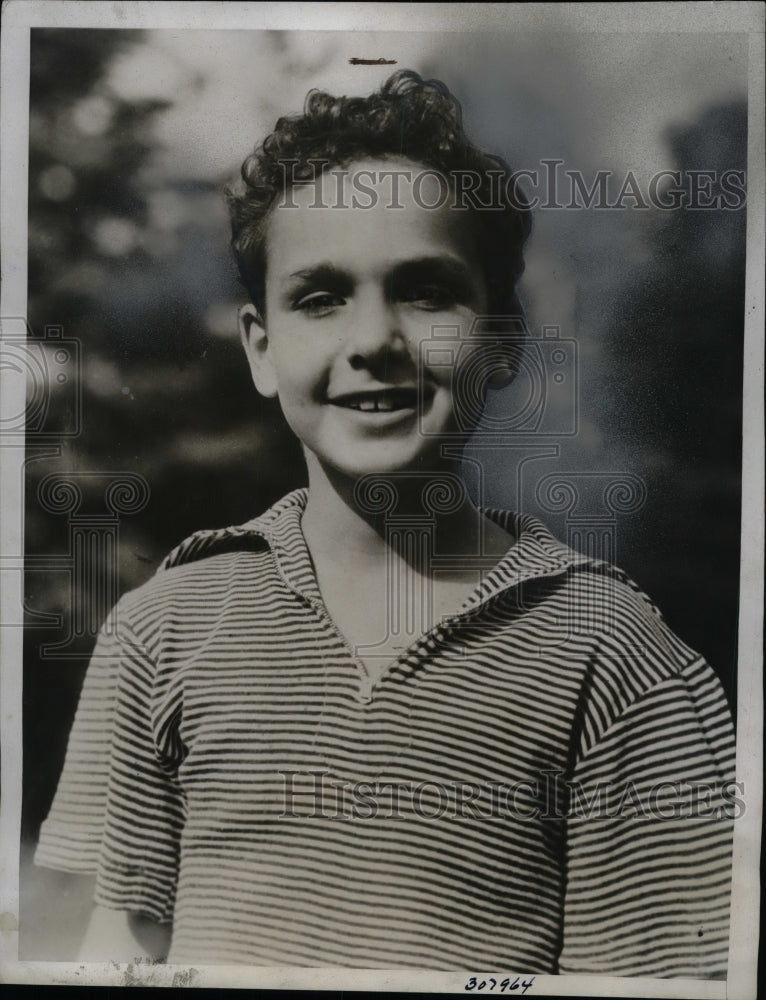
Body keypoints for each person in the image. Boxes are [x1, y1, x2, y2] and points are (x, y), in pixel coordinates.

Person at [35, 70, 735, 976]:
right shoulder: (164, 628)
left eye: (425, 291)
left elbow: (653, 985)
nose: (374, 338)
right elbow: (122, 949)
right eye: (320, 297)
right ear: (261, 346)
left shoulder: (614, 656)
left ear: (504, 340)